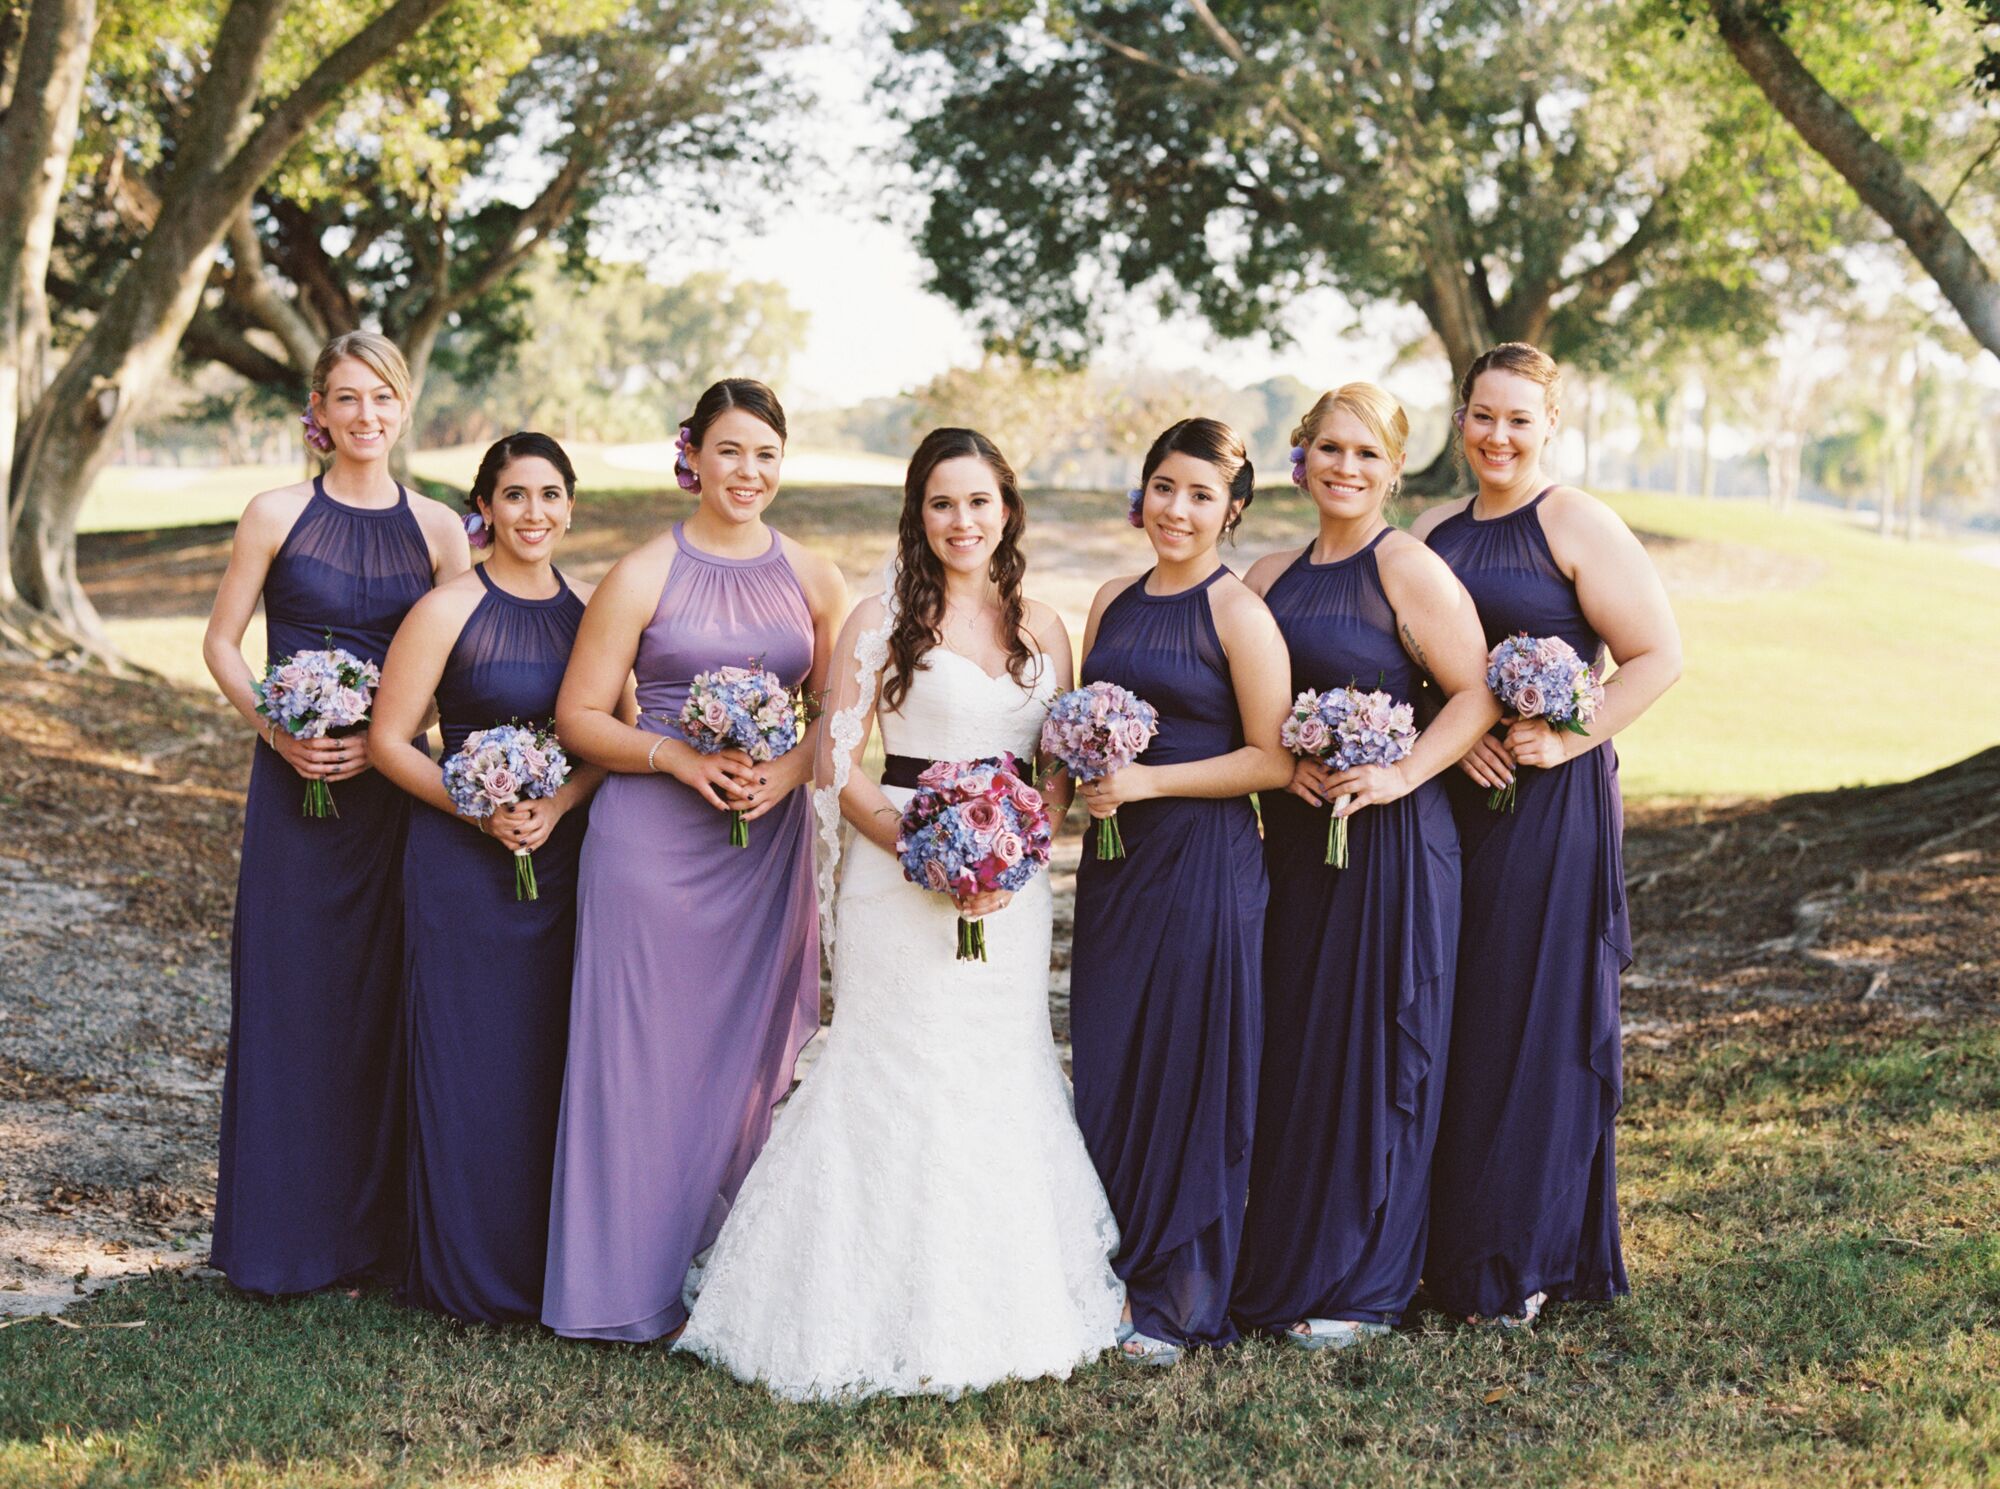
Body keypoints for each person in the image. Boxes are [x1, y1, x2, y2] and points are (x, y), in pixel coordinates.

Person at [677, 427, 1123, 1400]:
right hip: (898, 869)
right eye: (940, 503)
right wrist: (927, 850)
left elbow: (1051, 771)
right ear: (917, 515)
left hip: (1008, 886)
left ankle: (1001, 1297)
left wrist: (1010, 853)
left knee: (995, 1066)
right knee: (897, 1061)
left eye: (978, 501)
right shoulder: (882, 619)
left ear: (1006, 508)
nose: (961, 521)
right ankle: (853, 1298)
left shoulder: (1045, 627)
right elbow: (838, 766)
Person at [542, 378, 846, 1342]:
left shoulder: (814, 575)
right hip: (649, 844)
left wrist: (787, 770)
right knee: (638, 1058)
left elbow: (837, 721)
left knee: (754, 1055)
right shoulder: (641, 572)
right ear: (693, 456)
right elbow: (579, 716)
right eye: (728, 451)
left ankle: (731, 1280)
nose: (746, 472)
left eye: (764, 453)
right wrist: (675, 753)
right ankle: (618, 1286)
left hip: (763, 847)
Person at [1413, 342, 1682, 1327]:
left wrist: (1563, 740)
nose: (1496, 435)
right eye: (1482, 415)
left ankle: (1515, 1254)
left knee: (1526, 1020)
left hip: (1551, 807)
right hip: (1453, 807)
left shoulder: (1570, 520)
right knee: (1457, 1017)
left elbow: (1657, 655)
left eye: (1517, 420)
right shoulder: (1431, 530)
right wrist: (1456, 740)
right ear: (1458, 416)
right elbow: (1412, 667)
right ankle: (1439, 1244)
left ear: (1547, 428)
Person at [202, 331, 470, 1294]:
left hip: (393, 796)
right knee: (291, 999)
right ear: (319, 408)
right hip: (294, 795)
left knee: (382, 1000)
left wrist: (394, 733)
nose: (365, 417)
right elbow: (223, 643)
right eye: (347, 399)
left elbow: (453, 667)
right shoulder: (274, 512)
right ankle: (280, 1239)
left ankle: (374, 1242)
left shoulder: (443, 530)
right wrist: (280, 729)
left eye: (382, 399)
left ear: (404, 407)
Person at [1231, 383, 1497, 1348]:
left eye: (1368, 455)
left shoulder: (1409, 569)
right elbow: (1242, 708)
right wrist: (1283, 765)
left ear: (1393, 469)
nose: (1347, 468)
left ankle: (1366, 1283)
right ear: (1301, 458)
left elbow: (1474, 695)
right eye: (1330, 449)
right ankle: (1291, 1258)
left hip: (1394, 846)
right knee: (1301, 1047)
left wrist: (1401, 773)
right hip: (1300, 848)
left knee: (1379, 1048)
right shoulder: (1266, 575)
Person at [368, 432, 613, 1323]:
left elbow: (604, 737)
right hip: (459, 858)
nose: (534, 513)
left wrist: (558, 804)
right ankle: (461, 1271)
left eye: (550, 494)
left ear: (570, 505)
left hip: (560, 861)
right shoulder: (446, 608)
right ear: (487, 506)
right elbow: (391, 741)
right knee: (468, 1058)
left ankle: (546, 1262)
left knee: (549, 1056)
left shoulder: (593, 608)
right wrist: (478, 806)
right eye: (515, 495)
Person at [1067, 417, 1293, 1366]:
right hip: (1117, 868)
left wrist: (1149, 782)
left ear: (1231, 512)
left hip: (1204, 866)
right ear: (1142, 491)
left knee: (1190, 1067)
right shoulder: (1112, 599)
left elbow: (1274, 759)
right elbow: (1082, 722)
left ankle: (1178, 1294)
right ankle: (1103, 1269)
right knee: (1113, 1058)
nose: (1177, 508)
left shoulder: (1237, 613)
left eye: (1202, 495)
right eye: (1165, 486)